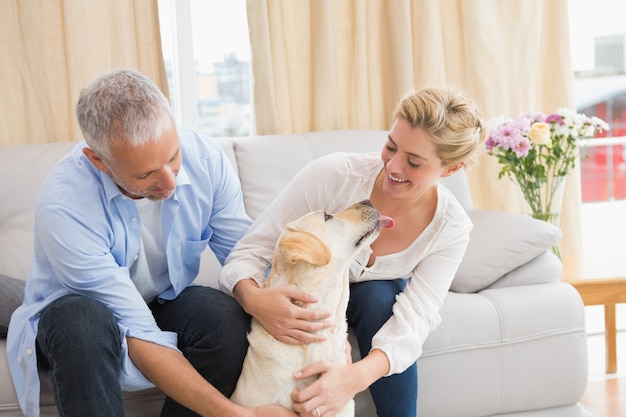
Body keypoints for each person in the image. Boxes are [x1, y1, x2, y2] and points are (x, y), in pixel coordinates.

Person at [6, 69, 297, 417]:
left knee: (224, 317)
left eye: (173, 158)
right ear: (98, 160)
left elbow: (246, 256)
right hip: (77, 316)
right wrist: (234, 415)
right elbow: (137, 331)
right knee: (81, 321)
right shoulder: (64, 207)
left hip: (161, 300)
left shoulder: (206, 159)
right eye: (145, 175)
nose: (170, 183)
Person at [220, 86, 488, 417]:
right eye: (390, 146)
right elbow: (249, 252)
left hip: (368, 306)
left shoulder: (450, 227)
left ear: (451, 169)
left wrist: (354, 377)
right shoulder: (334, 176)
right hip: (309, 304)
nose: (393, 166)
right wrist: (254, 299)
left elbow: (417, 317)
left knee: (379, 294)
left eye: (414, 163)